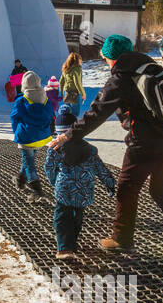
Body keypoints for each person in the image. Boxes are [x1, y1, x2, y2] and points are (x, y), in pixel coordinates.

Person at [55, 34, 163, 267]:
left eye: (105, 58)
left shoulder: (122, 78)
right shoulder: (154, 69)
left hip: (145, 146)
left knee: (126, 188)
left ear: (111, 58)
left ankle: (121, 239)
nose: (105, 63)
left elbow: (96, 113)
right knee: (162, 189)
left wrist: (68, 135)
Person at [45, 104, 117, 261]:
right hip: (84, 189)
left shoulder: (55, 148)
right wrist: (109, 183)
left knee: (61, 217)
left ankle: (64, 247)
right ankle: (73, 243)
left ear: (58, 132)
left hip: (63, 189)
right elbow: (100, 168)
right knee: (77, 216)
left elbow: (49, 168)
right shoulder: (90, 149)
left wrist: (54, 182)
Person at [11, 71, 53, 203]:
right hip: (42, 137)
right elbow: (51, 115)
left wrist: (17, 131)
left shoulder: (22, 100)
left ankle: (37, 190)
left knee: (29, 163)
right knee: (28, 159)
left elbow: (14, 118)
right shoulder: (45, 98)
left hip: (27, 137)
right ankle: (20, 180)